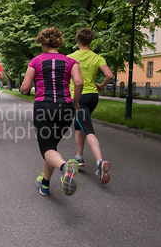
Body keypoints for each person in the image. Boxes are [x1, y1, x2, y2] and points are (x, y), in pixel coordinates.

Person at [20, 27, 84, 196]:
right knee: (52, 146)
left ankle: (65, 169)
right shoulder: (71, 62)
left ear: (43, 42)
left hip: (44, 107)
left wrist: (23, 88)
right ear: (59, 42)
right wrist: (75, 103)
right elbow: (78, 82)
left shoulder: (36, 61)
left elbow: (25, 88)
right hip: (66, 108)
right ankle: (45, 184)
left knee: (46, 149)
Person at [67, 27, 113, 184]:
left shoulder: (70, 57)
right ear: (90, 41)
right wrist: (102, 85)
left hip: (78, 97)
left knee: (87, 128)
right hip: (93, 96)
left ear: (78, 41)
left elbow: (65, 78)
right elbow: (109, 75)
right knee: (79, 124)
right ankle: (79, 157)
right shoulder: (97, 57)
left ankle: (100, 161)